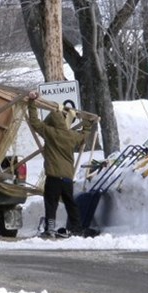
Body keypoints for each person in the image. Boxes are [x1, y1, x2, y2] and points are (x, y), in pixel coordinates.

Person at [27, 91, 99, 238]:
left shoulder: (49, 132)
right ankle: (77, 228)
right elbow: (84, 135)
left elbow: (34, 122)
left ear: (52, 121)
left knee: (51, 202)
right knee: (70, 203)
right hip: (67, 177)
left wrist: (31, 103)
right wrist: (87, 123)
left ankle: (50, 228)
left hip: (53, 176)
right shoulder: (72, 136)